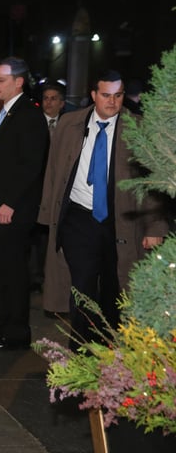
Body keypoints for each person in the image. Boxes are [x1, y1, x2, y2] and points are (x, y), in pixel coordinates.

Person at [38, 70, 167, 349]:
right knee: (82, 287)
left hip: (120, 222)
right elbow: (53, 170)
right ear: (94, 95)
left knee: (114, 289)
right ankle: (82, 352)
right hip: (79, 218)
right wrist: (49, 215)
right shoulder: (69, 124)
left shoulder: (139, 129)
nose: (112, 102)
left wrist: (155, 227)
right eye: (106, 95)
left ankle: (110, 353)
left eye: (118, 95)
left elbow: (153, 183)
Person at [0, 57, 49, 351]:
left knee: (13, 272)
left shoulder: (29, 116)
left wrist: (10, 203)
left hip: (12, 211)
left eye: (0, 80)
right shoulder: (6, 113)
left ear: (18, 82)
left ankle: (15, 332)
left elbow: (30, 167)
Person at [29, 82, 66, 294]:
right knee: (37, 235)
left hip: (58, 188)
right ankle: (35, 275)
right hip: (39, 187)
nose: (48, 102)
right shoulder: (35, 124)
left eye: (53, 99)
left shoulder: (68, 125)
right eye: (45, 98)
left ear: (61, 103)